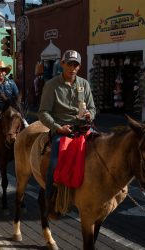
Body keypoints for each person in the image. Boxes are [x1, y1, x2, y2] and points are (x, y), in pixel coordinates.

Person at [38, 50, 96, 218]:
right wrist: (57, 128)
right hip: (62, 129)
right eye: (69, 64)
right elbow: (43, 113)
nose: (72, 68)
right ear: (62, 64)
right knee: (54, 163)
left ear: (80, 66)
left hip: (83, 128)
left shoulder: (84, 84)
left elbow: (92, 108)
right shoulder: (51, 85)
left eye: (75, 65)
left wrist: (89, 115)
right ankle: (50, 200)